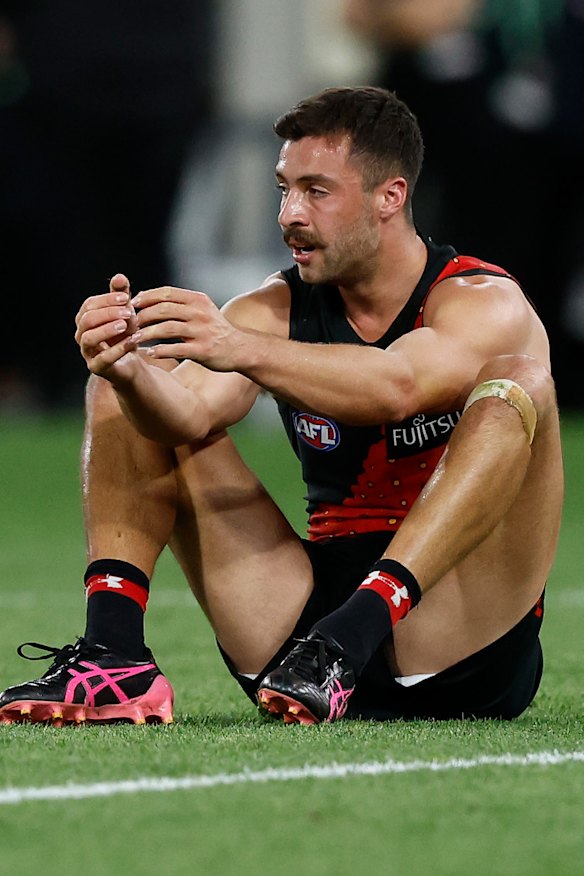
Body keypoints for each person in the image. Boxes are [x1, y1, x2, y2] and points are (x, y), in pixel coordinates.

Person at [0, 86, 563, 726]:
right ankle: (113, 655)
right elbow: (180, 420)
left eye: (316, 191)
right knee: (130, 384)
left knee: (521, 383)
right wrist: (122, 366)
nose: (289, 214)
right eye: (283, 189)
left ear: (391, 196)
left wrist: (237, 346)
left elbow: (397, 384)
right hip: (301, 635)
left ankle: (354, 632)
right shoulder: (272, 310)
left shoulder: (481, 301)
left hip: (454, 632)